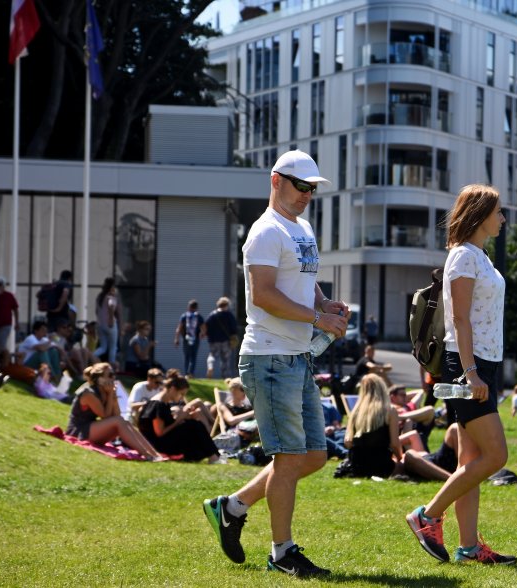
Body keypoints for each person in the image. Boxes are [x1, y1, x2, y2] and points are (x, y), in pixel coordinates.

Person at [201, 149, 347, 576]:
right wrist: (319, 318)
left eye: (312, 189)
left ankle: (232, 506)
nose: (306, 195)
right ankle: (282, 553)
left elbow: (303, 278)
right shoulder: (264, 232)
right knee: (288, 459)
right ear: (276, 181)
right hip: (268, 357)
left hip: (296, 356)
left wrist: (325, 303)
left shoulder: (301, 227)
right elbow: (262, 294)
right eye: (301, 186)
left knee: (315, 455)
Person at [405, 184, 517, 565]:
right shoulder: (464, 258)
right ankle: (427, 516)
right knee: (495, 454)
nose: (503, 219)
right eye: (498, 212)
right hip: (466, 363)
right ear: (480, 214)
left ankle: (468, 548)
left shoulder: (478, 256)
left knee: (470, 460)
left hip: (483, 362)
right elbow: (459, 318)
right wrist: (471, 373)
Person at [65, 362, 164, 460]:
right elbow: (106, 416)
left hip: (91, 429)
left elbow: (117, 415)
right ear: (100, 379)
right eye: (110, 375)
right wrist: (111, 394)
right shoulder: (88, 393)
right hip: (78, 431)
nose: (113, 378)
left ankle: (154, 453)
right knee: (119, 421)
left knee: (125, 422)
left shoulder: (104, 391)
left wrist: (113, 398)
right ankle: (146, 455)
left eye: (114, 375)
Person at [136, 372, 222, 462]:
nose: (182, 398)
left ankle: (213, 455)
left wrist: (182, 417)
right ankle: (214, 456)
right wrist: (179, 419)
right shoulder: (158, 404)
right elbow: (159, 433)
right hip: (156, 445)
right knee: (195, 426)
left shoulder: (161, 402)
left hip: (160, 441)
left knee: (193, 425)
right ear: (172, 389)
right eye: (181, 394)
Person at [344, 374, 405, 478]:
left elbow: (348, 442)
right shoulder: (389, 411)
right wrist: (401, 459)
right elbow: (395, 444)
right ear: (382, 388)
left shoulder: (356, 411)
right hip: (381, 464)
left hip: (357, 466)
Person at [216, 377, 258, 447]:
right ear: (233, 390)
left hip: (247, 435)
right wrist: (252, 413)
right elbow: (231, 420)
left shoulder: (247, 407)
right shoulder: (224, 406)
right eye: (242, 389)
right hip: (232, 435)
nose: (245, 392)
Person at [205, 297, 239, 379]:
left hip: (213, 340)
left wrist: (207, 334)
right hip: (225, 341)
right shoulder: (229, 315)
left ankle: (210, 366)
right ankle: (225, 377)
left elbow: (206, 326)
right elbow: (234, 328)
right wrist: (233, 336)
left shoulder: (212, 315)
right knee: (225, 359)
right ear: (227, 305)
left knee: (212, 356)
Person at [0, 277, 18, 370]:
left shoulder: (9, 296)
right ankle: (0, 363)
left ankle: (6, 363)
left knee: (1, 344)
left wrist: (17, 322)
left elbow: (15, 309)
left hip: (5, 324)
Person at [94, 277, 122, 370]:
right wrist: (110, 319)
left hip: (100, 324)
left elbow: (96, 311)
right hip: (110, 324)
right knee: (113, 347)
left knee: (103, 347)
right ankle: (112, 367)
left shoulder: (100, 297)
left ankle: (91, 357)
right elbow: (111, 307)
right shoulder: (111, 297)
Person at [175, 299, 206, 377]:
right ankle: (191, 373)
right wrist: (202, 334)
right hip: (195, 339)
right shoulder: (198, 316)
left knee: (187, 356)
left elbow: (179, 328)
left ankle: (186, 373)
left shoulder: (184, 316)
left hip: (186, 338)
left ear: (189, 306)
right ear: (196, 307)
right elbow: (203, 328)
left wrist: (177, 339)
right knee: (193, 356)